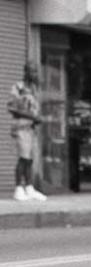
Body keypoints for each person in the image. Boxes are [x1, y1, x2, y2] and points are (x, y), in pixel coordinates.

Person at [8, 61, 46, 201]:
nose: (35, 74)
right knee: (23, 158)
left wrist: (36, 118)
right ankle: (18, 188)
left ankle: (29, 188)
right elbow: (12, 109)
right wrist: (32, 117)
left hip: (31, 129)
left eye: (36, 71)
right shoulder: (18, 87)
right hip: (21, 127)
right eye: (32, 71)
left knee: (30, 159)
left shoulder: (35, 89)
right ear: (25, 72)